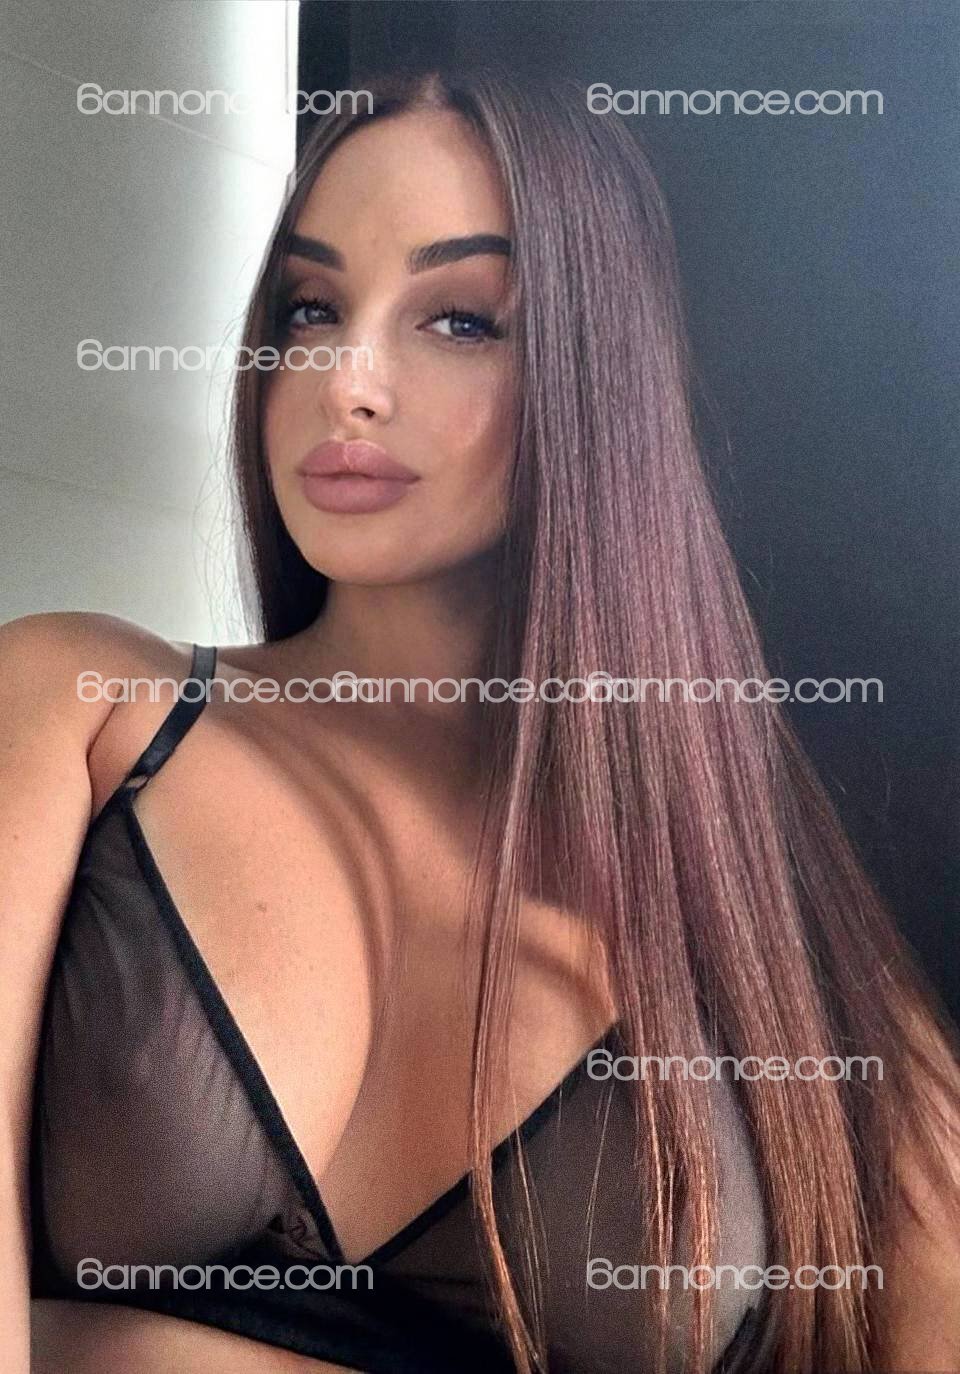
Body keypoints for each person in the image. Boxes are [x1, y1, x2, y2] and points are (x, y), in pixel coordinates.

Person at [4, 68, 959, 1374]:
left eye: (457, 320)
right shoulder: (80, 707)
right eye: (311, 307)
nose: (345, 381)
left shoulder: (763, 941)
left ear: (596, 382)